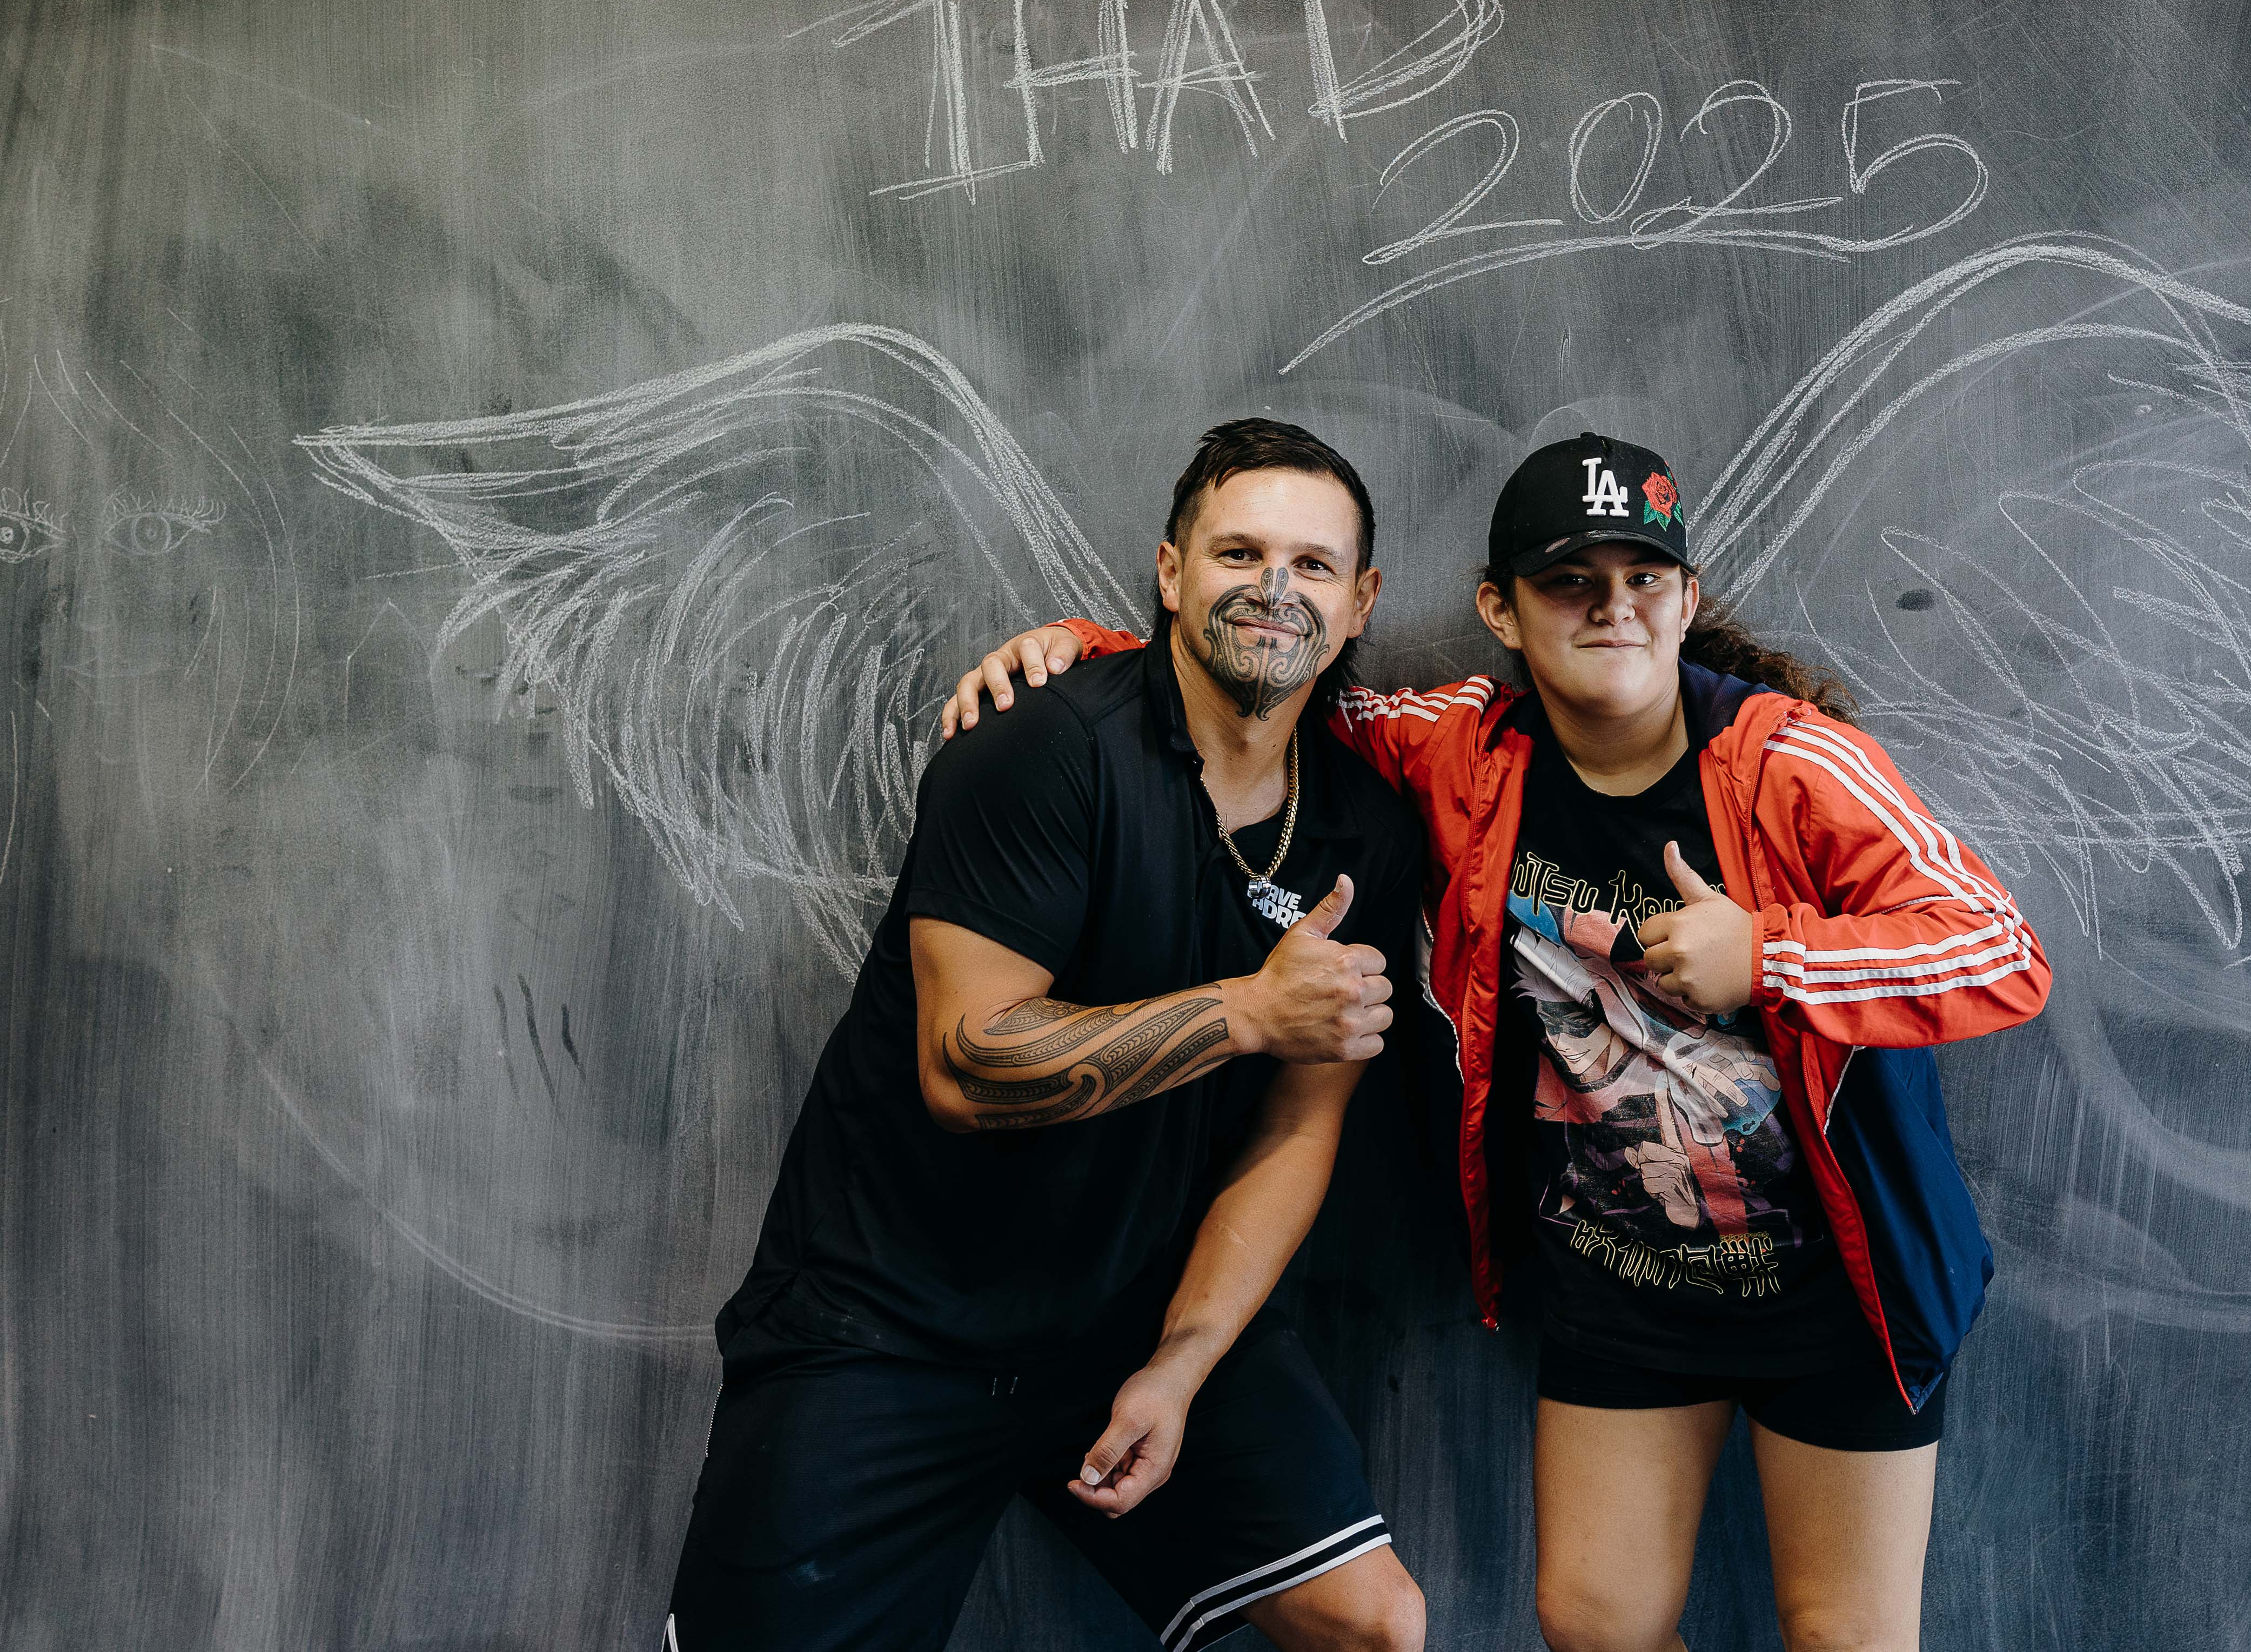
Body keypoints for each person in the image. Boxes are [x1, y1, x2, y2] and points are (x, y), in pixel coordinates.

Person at [942, 432, 2052, 1652]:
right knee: (1593, 1624)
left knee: (1844, 1636)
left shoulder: (1791, 761)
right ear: (1502, 610)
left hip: (1839, 1291)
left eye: (1643, 578)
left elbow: (2001, 947)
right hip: (1626, 1283)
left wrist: (1768, 956)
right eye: (1570, 581)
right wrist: (1089, 649)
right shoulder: (1463, 748)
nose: (1613, 607)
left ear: (1685, 599)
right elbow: (1275, 680)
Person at [667, 420, 1430, 1652]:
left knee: (1374, 1624)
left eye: (1313, 564)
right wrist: (1247, 1009)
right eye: (1239, 553)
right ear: (1172, 572)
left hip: (1126, 1314)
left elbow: (1296, 1130)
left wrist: (1181, 1361)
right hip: (890, 1321)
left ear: (1360, 602)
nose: (1275, 588)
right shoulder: (1041, 747)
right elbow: (967, 1065)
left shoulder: (1365, 835)